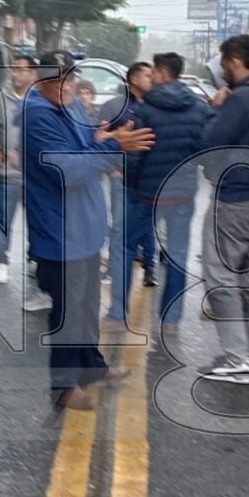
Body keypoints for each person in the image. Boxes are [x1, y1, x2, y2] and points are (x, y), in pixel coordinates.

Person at [24, 51, 154, 410]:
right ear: (42, 81)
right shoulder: (37, 114)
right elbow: (68, 169)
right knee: (68, 311)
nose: (66, 85)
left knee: (85, 307)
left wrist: (100, 139)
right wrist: (113, 145)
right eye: (57, 80)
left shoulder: (72, 105)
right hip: (60, 231)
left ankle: (91, 366)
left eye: (70, 76)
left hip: (85, 226)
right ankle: (63, 386)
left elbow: (84, 145)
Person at [197, 36, 249, 380]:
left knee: (219, 277)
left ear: (233, 61)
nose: (222, 68)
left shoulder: (240, 98)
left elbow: (210, 141)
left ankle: (235, 358)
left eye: (223, 62)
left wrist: (216, 107)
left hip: (235, 197)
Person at [129, 52, 206, 334]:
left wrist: (131, 181)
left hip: (149, 193)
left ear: (162, 73)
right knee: (178, 255)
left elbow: (136, 151)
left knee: (125, 246)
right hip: (183, 192)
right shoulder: (198, 107)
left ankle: (119, 311)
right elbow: (205, 147)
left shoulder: (146, 108)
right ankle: (171, 320)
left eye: (153, 73)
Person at [100, 62, 158, 325]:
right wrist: (113, 168)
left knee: (147, 229)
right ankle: (117, 300)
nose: (151, 78)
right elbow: (98, 136)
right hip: (121, 178)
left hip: (148, 180)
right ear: (133, 78)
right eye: (147, 74)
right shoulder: (114, 106)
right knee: (120, 232)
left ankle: (149, 266)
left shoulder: (156, 106)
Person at [0, 54, 39, 287]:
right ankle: (0, 262)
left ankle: (36, 257)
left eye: (21, 69)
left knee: (39, 220)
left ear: (32, 74)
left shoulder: (41, 100)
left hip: (37, 176)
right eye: (14, 69)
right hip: (7, 174)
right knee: (3, 220)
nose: (16, 73)